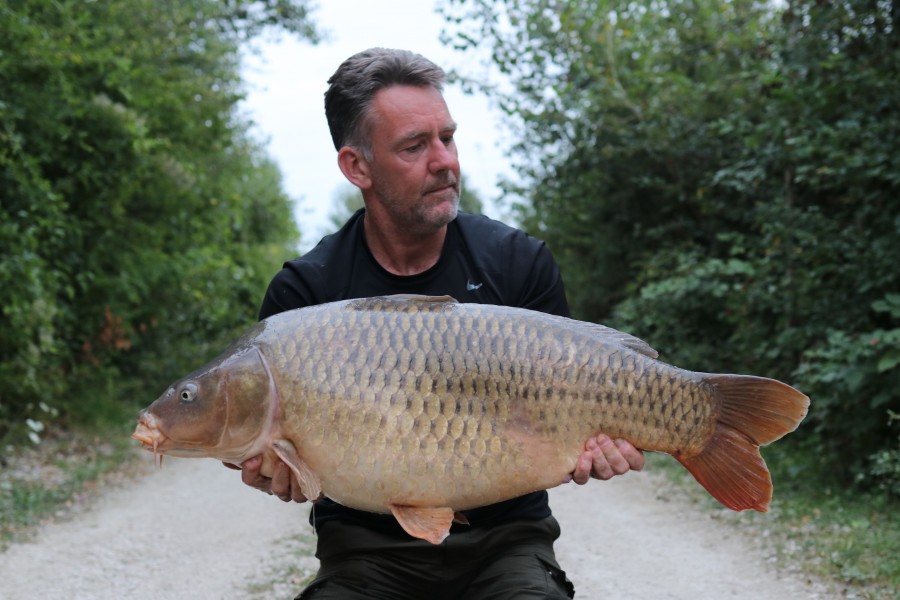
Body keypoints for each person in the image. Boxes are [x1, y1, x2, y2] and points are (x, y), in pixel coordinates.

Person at [228, 47, 644, 600]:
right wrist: (280, 475)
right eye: (414, 146)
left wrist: (597, 448)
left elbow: (562, 425)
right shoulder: (305, 295)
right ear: (357, 167)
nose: (444, 160)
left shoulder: (519, 264)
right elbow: (295, 471)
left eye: (447, 137)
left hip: (507, 542)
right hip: (365, 553)